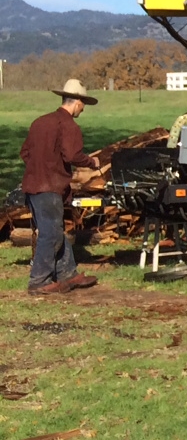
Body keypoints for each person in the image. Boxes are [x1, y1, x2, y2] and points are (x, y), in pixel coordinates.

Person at [20, 79, 100, 295]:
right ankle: (39, 280)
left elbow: (25, 152)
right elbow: (73, 155)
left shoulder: (40, 122)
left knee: (55, 230)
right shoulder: (69, 126)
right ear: (77, 102)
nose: (83, 109)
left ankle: (68, 274)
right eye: (83, 104)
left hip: (32, 185)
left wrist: (41, 167)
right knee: (50, 234)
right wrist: (93, 163)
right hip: (49, 188)